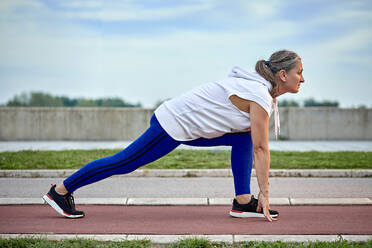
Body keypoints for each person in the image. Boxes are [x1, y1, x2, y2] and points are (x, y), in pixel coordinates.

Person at [43, 49, 304, 222]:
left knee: (242, 137)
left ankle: (243, 201)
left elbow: (253, 142)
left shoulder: (260, 90)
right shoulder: (258, 94)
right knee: (125, 162)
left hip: (189, 126)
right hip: (173, 123)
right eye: (298, 73)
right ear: (283, 75)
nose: (302, 79)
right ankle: (60, 191)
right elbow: (261, 149)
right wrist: (267, 193)